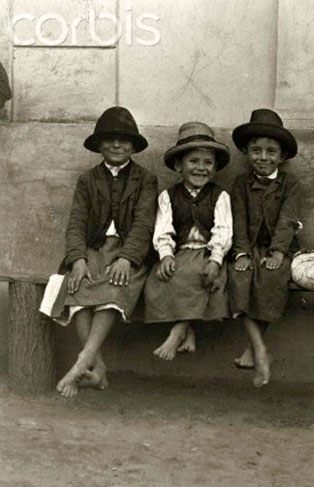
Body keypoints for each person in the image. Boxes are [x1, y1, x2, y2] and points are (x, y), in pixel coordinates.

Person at [45, 106, 157, 397]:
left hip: (128, 252)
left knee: (115, 287)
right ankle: (99, 368)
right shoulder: (87, 180)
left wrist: (126, 258)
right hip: (93, 250)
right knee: (77, 285)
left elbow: (144, 225)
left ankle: (83, 360)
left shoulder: (146, 180)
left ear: (133, 146)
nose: (117, 145)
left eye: (124, 140)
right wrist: (78, 259)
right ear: (98, 145)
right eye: (109, 139)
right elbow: (76, 224)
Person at [144, 122, 232, 360]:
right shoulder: (168, 196)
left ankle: (177, 332)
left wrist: (215, 259)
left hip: (208, 252)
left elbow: (223, 230)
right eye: (193, 161)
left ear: (215, 168)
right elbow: (163, 229)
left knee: (199, 276)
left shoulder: (220, 195)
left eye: (208, 163)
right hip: (180, 251)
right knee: (161, 279)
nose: (201, 168)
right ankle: (189, 331)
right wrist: (166, 255)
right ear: (178, 165)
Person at [228, 109, 302, 387]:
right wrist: (242, 253)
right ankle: (260, 349)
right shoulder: (240, 184)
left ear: (281, 157)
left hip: (277, 249)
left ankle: (254, 349)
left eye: (271, 152)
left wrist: (278, 252)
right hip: (248, 247)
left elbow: (288, 220)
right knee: (240, 276)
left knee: (271, 277)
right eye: (256, 150)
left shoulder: (290, 184)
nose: (263, 157)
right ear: (247, 152)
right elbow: (239, 219)